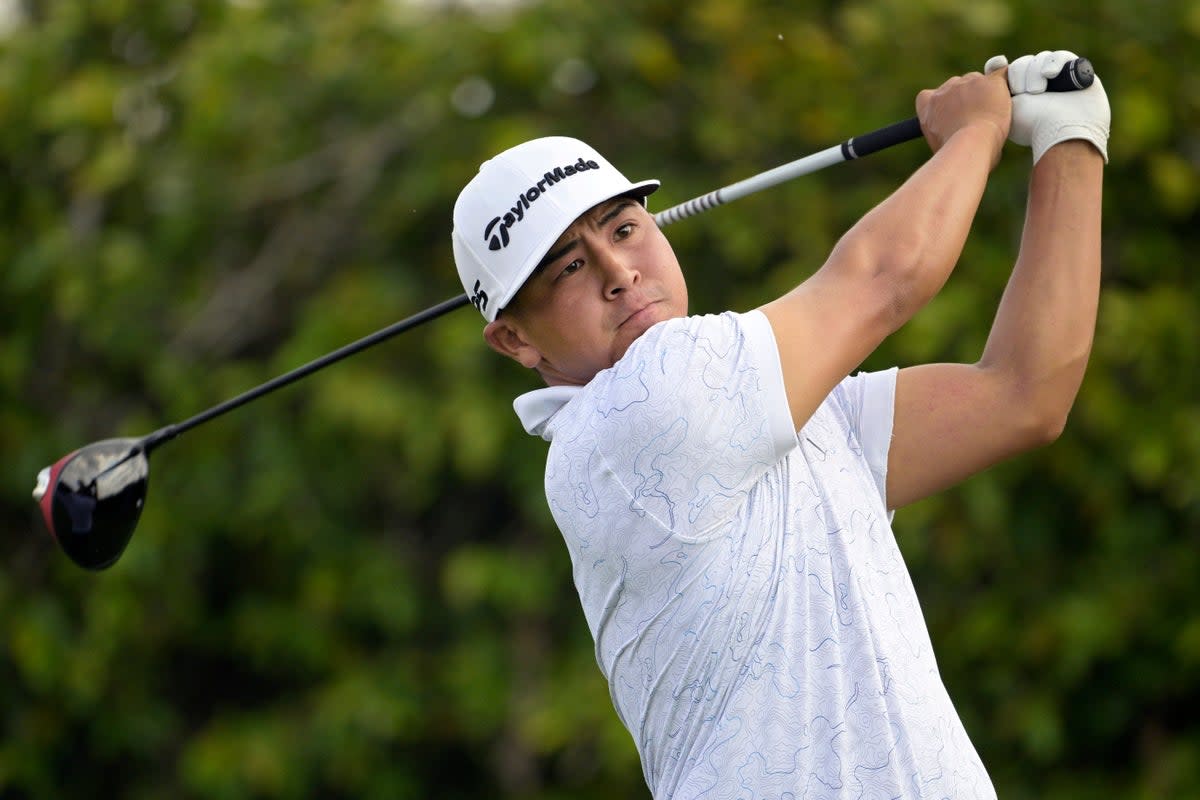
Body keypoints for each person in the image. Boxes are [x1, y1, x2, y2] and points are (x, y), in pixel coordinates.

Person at [450, 50, 1108, 799]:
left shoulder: (785, 415)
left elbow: (1024, 395)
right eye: (568, 267)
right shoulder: (634, 416)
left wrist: (1071, 140)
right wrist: (975, 132)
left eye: (624, 228)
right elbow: (883, 279)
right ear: (515, 339)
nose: (618, 271)